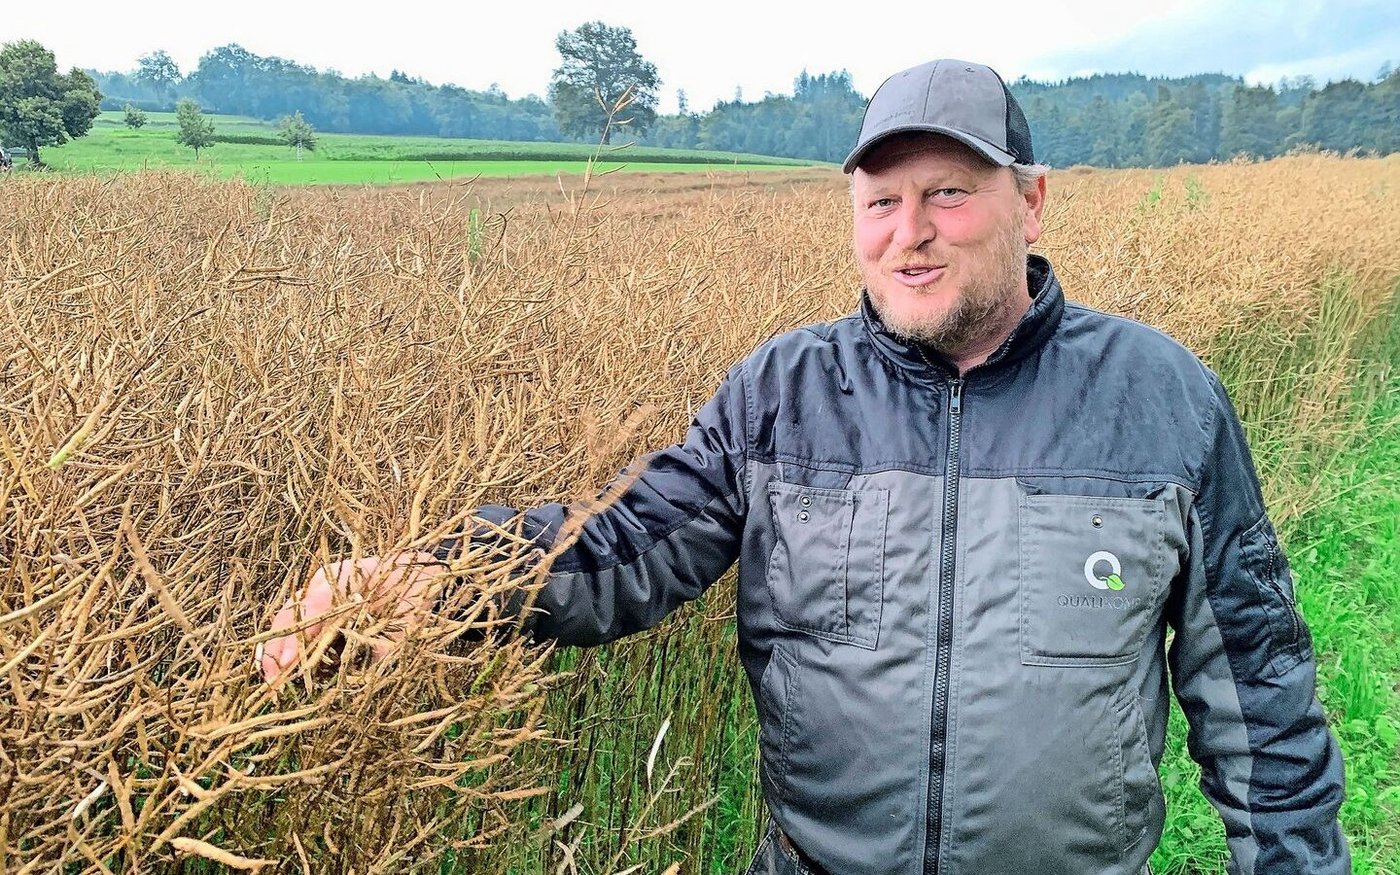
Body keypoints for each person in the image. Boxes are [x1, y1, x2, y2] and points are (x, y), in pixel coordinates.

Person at [260, 59, 1348, 875]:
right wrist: (438, 578)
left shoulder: (1157, 398)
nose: (908, 234)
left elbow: (1253, 685)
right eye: (880, 201)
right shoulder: (781, 394)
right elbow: (622, 547)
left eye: (947, 193)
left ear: (1031, 198)